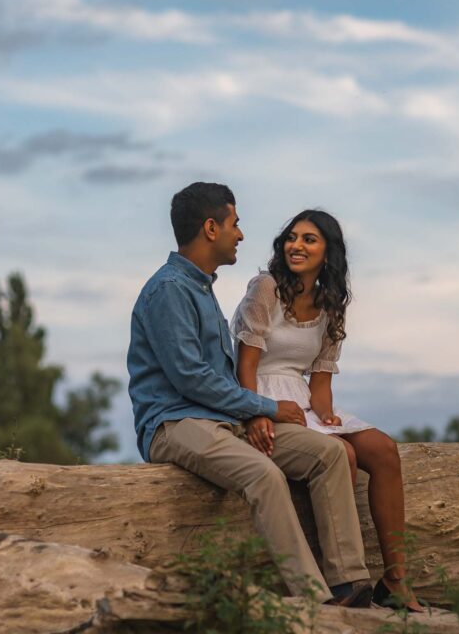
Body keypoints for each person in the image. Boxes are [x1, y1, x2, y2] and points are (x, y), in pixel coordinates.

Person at [127, 182, 373, 607]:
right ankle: (316, 602)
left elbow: (217, 376)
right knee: (263, 475)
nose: (240, 234)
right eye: (234, 224)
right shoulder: (168, 290)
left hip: (222, 420)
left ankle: (348, 584)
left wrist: (255, 414)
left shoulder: (201, 287)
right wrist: (264, 406)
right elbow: (191, 379)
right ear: (210, 228)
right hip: (175, 423)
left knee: (329, 455)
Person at [231, 209, 423, 612]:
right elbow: (245, 364)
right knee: (344, 455)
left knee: (384, 451)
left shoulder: (331, 303)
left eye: (309, 240)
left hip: (302, 400)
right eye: (292, 237)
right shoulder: (266, 288)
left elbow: (320, 384)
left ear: (327, 252)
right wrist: (255, 413)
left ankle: (395, 580)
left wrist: (328, 419)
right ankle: (339, 578)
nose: (296, 246)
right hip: (261, 394)